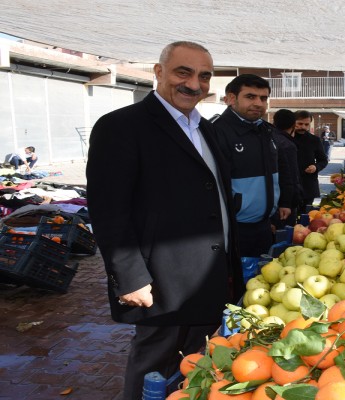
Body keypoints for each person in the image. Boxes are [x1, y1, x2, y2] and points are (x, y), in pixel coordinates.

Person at [86, 41, 234, 400]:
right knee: (153, 365)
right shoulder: (121, 126)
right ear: (158, 71)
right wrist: (130, 278)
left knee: (193, 368)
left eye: (204, 76)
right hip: (159, 281)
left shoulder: (207, 129)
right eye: (183, 72)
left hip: (209, 276)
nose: (194, 84)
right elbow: (108, 209)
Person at [214, 74, 296, 256]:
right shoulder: (217, 132)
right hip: (233, 229)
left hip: (265, 224)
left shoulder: (266, 131)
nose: (258, 103)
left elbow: (282, 170)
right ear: (231, 98)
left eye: (263, 98)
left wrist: (284, 202)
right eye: (250, 97)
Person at [271, 108, 302, 228]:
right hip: (283, 203)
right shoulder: (287, 145)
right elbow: (291, 176)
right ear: (293, 125)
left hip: (270, 200)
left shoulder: (269, 138)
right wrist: (289, 202)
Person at [293, 110, 328, 212]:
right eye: (300, 124)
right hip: (289, 186)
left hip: (308, 186)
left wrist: (316, 167)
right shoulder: (285, 139)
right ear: (293, 122)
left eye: (306, 124)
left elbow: (323, 160)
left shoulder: (314, 140)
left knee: (309, 215)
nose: (303, 127)